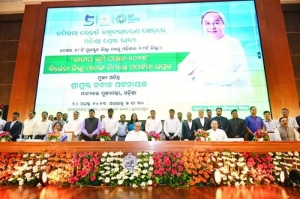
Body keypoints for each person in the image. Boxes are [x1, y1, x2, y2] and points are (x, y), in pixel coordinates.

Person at [178, 10, 250, 89]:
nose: (212, 27)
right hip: (202, 94)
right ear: (202, 25)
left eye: (216, 23)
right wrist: (207, 68)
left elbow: (224, 75)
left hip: (226, 95)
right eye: (207, 23)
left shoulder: (232, 43)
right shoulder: (200, 45)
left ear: (223, 24)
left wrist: (196, 72)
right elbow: (182, 69)